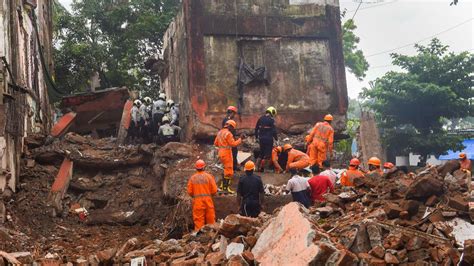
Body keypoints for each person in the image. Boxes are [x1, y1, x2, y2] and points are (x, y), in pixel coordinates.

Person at [187, 160, 218, 231]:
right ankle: (212, 235)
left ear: (196, 168)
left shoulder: (193, 178)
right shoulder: (209, 177)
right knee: (210, 220)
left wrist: (195, 196)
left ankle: (199, 237)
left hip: (198, 202)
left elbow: (190, 191)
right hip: (208, 200)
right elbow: (214, 190)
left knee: (198, 220)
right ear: (204, 167)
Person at [214, 120, 243, 193]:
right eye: (233, 128)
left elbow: (216, 143)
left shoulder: (220, 132)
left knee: (225, 169)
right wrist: (240, 139)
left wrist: (222, 145)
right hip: (227, 153)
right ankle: (225, 188)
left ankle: (222, 185)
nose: (233, 129)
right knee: (229, 171)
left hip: (221, 152)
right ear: (230, 126)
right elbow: (233, 144)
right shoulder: (228, 134)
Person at [255, 107, 278, 172]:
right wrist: (276, 139)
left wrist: (256, 137)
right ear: (272, 112)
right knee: (268, 155)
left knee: (261, 153)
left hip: (261, 139)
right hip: (268, 139)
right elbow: (274, 131)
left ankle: (256, 168)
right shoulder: (271, 120)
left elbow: (256, 129)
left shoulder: (260, 118)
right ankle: (265, 169)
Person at [223, 106, 239, 171]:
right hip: (229, 139)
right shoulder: (227, 120)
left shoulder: (226, 119)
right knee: (233, 152)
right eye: (234, 114)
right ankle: (233, 167)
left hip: (230, 138)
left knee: (234, 152)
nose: (234, 115)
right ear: (232, 112)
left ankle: (234, 166)